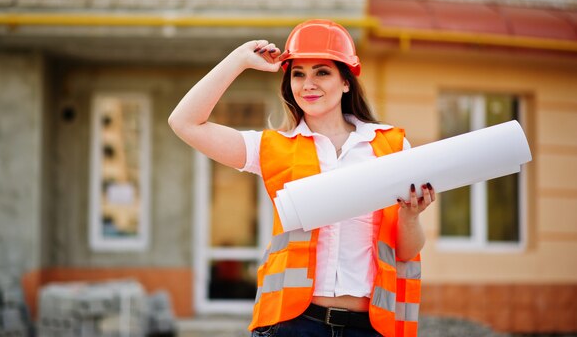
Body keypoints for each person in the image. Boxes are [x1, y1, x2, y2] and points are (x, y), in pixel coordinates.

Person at [168, 20, 435, 337]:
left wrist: (410, 215)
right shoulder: (273, 148)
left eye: (322, 72)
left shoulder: (390, 147)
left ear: (346, 81)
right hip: (294, 326)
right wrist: (238, 59)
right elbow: (185, 122)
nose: (308, 83)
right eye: (298, 73)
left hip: (370, 328)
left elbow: (405, 252)